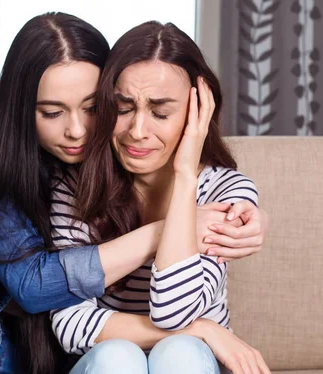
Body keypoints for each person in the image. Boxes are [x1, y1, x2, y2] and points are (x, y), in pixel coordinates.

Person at [0, 13, 267, 374]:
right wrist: (168, 231)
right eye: (52, 113)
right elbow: (36, 288)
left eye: (92, 108)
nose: (77, 131)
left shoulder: (113, 170)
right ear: (23, 109)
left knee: (160, 355)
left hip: (34, 360)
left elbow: (168, 311)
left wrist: (230, 200)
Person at [49, 21, 270, 374]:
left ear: (199, 112)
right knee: (118, 357)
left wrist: (185, 177)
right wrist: (205, 328)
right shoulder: (75, 189)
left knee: (180, 350)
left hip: (189, 361)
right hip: (107, 364)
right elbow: (71, 325)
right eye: (123, 109)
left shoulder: (227, 192)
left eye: (161, 113)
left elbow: (173, 312)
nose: (137, 132)